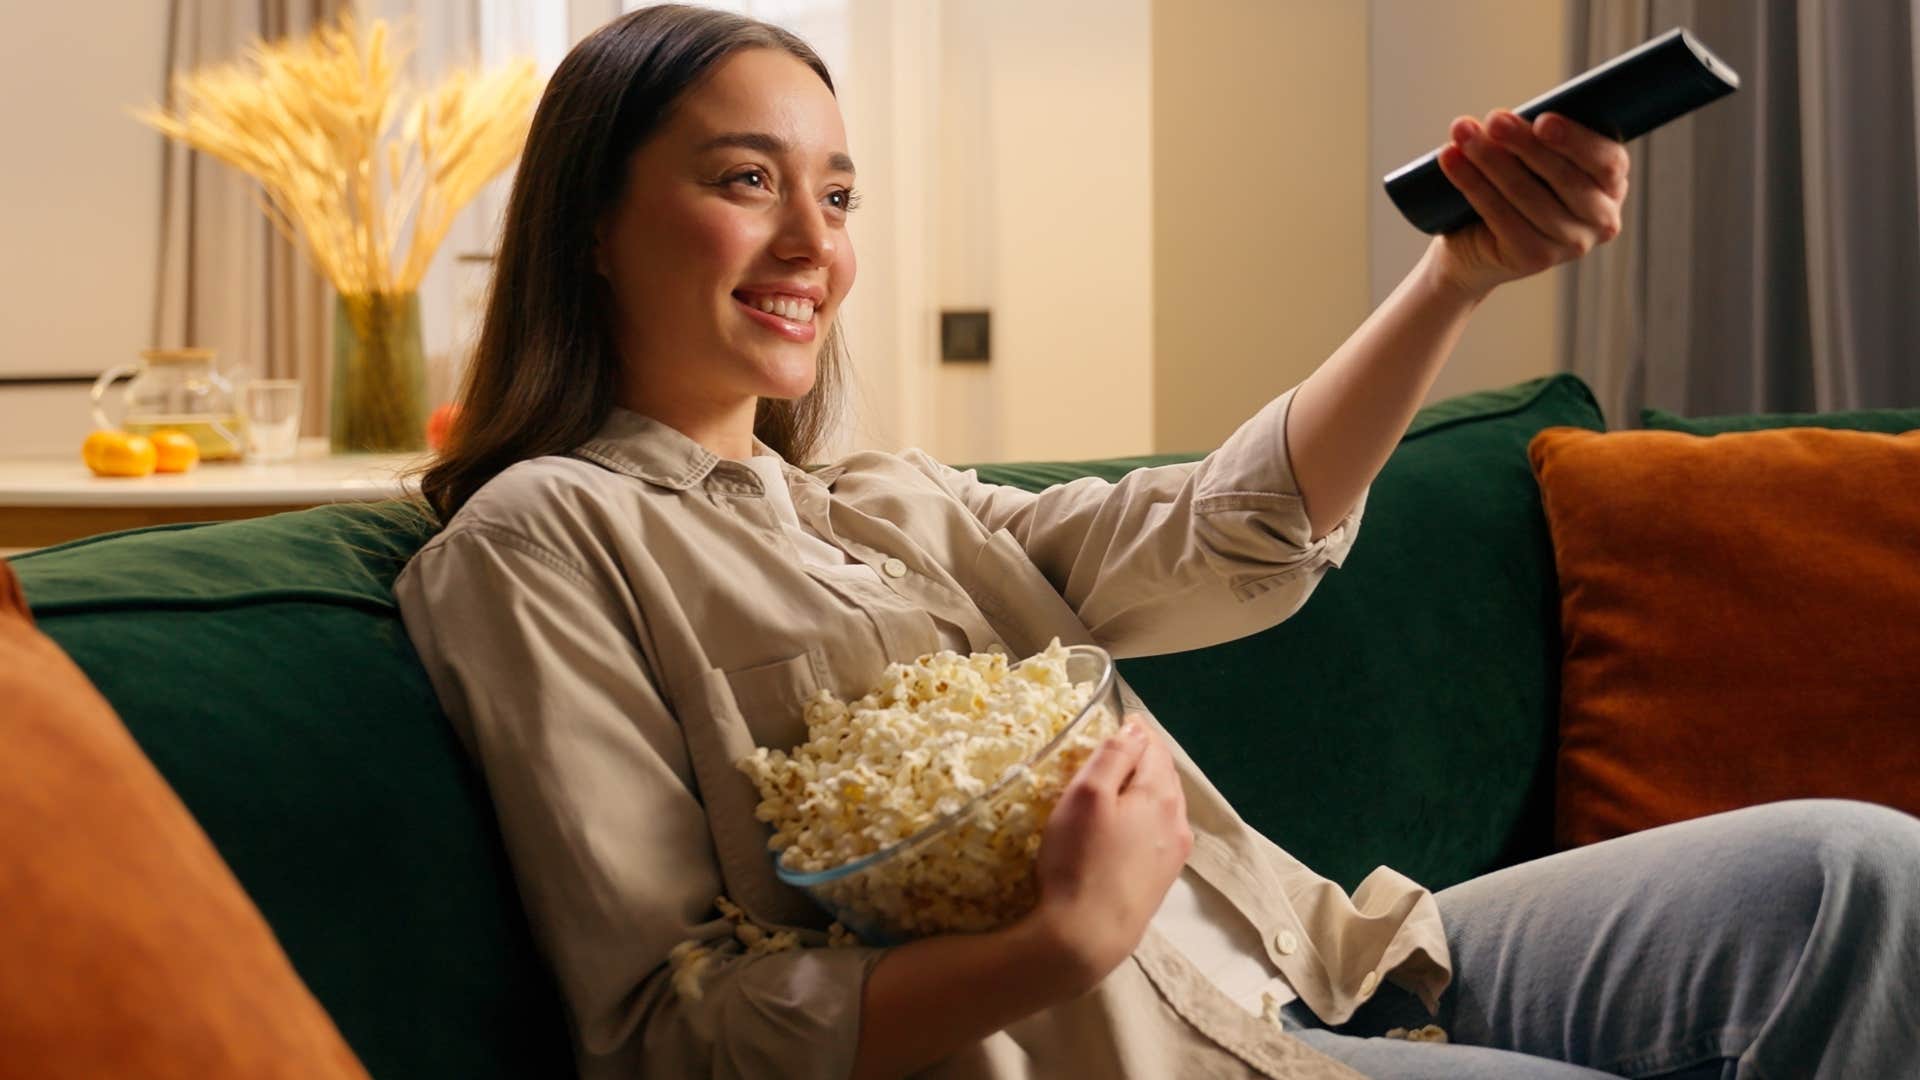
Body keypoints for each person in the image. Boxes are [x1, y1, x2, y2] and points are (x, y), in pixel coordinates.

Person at [391, 6, 1920, 1079]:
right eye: (747, 181)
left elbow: (1232, 533)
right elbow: (670, 1030)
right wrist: (1058, 945)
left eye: (840, 193)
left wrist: (1458, 277)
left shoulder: (893, 499)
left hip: (1334, 962)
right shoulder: (541, 543)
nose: (815, 244)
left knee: (1856, 872)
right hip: (1155, 1055)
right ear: (591, 220)